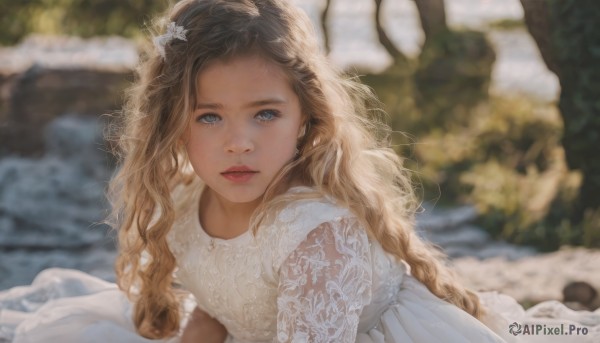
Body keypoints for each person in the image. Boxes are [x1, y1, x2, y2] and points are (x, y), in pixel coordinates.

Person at [1, 1, 599, 342]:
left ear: (306, 117)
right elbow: (215, 309)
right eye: (208, 117)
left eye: (265, 113)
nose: (239, 143)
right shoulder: (187, 203)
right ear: (171, 125)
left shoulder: (316, 235)